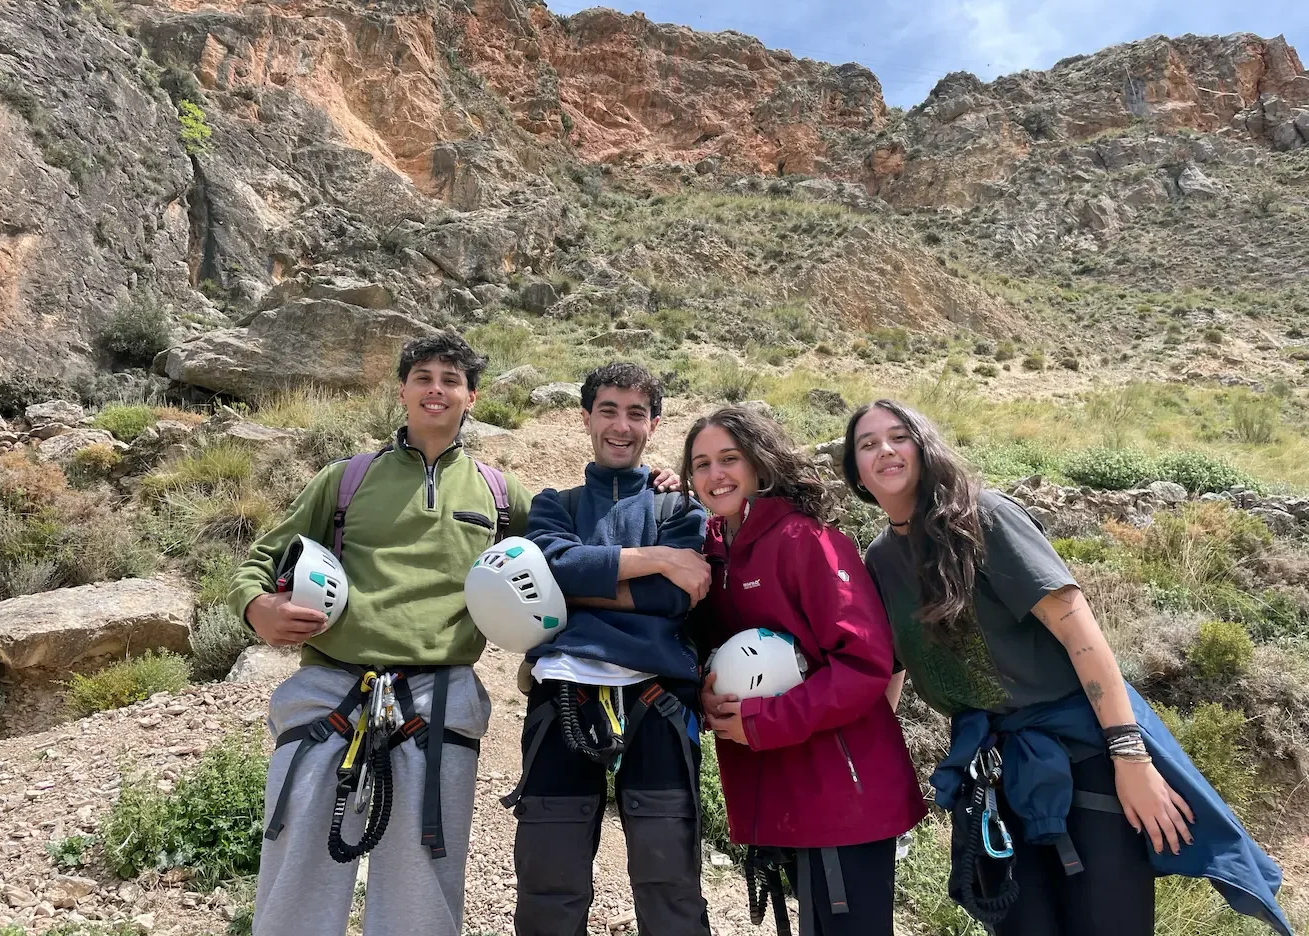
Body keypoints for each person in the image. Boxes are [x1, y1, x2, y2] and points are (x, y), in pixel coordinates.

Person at [842, 398, 1291, 936]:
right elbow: (891, 666)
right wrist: (866, 764)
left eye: (898, 437)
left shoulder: (983, 519)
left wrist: (1130, 757)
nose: (885, 450)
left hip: (1084, 757)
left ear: (924, 447)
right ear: (857, 474)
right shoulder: (880, 559)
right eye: (867, 444)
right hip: (994, 772)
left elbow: (1080, 633)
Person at [229, 332, 533, 936]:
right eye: (423, 377)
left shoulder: (500, 494)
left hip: (439, 700)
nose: (436, 390)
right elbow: (261, 559)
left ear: (471, 397)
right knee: (297, 874)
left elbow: (563, 554)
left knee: (423, 888)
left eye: (451, 380)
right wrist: (256, 607)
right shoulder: (346, 479)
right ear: (402, 390)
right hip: (329, 691)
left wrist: (653, 484)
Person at [685, 405, 926, 936]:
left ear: (759, 464)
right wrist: (709, 697)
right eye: (701, 464)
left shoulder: (807, 541)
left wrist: (763, 721)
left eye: (730, 458)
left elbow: (864, 663)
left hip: (841, 793)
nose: (715, 474)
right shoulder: (712, 552)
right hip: (786, 792)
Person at [507, 361, 713, 936]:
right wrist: (658, 559)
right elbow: (548, 567)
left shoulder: (680, 507)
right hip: (563, 694)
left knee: (670, 879)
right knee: (548, 877)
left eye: (636, 413)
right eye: (608, 410)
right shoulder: (555, 504)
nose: (621, 426)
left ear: (654, 425)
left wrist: (573, 589)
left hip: (659, 699)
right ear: (585, 417)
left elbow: (675, 598)